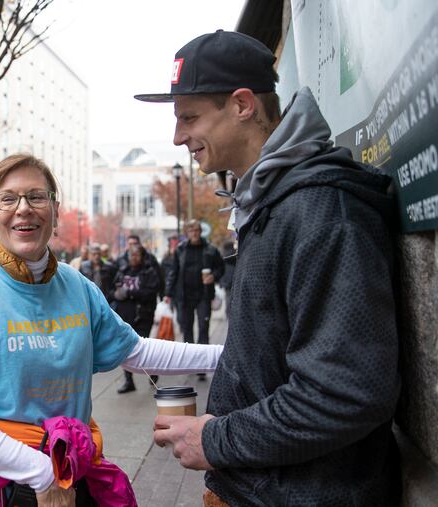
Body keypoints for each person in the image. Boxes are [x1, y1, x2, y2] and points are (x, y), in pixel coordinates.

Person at [136, 30, 400, 505]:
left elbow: (344, 394)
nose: (178, 137)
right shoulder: (270, 203)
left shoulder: (322, 212)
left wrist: (213, 440)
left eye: (189, 117)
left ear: (242, 105)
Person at [0, 153, 224, 506]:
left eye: (36, 196)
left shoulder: (77, 286)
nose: (23, 209)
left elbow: (136, 351)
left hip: (73, 472)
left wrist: (228, 355)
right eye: (7, 198)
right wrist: (43, 474)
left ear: (55, 210)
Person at [164, 219, 224, 348]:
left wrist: (213, 276)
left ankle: (203, 357)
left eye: (196, 230)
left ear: (201, 232)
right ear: (187, 233)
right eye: (191, 231)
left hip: (204, 294)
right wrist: (168, 293)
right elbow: (173, 272)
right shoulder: (180, 250)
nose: (194, 233)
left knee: (203, 327)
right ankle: (189, 358)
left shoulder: (210, 249)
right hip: (185, 295)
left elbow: (220, 267)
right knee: (186, 328)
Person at [110, 244, 161, 393]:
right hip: (125, 314)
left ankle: (152, 371)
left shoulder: (149, 272)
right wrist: (116, 294)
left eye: (137, 255)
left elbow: (151, 292)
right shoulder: (122, 271)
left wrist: (131, 293)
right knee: (126, 348)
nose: (134, 258)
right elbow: (112, 290)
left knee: (143, 347)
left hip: (143, 314)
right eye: (132, 255)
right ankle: (129, 381)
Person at [218, 239, 236, 319]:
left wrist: (221, 281)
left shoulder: (222, 255)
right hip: (234, 278)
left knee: (228, 297)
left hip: (226, 280)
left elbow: (220, 269)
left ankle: (228, 314)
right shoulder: (235, 254)